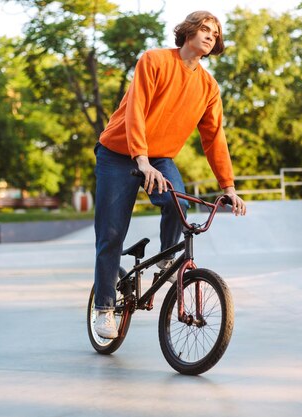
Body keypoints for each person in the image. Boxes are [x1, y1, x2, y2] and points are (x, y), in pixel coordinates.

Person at [93, 10, 247, 339]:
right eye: (205, 29)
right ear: (188, 31)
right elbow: (135, 110)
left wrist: (229, 186)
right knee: (111, 234)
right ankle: (104, 307)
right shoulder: (154, 61)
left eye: (215, 34)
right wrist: (141, 159)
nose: (210, 36)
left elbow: (214, 137)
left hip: (160, 157)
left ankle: (165, 262)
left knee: (180, 204)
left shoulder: (208, 87)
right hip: (118, 154)